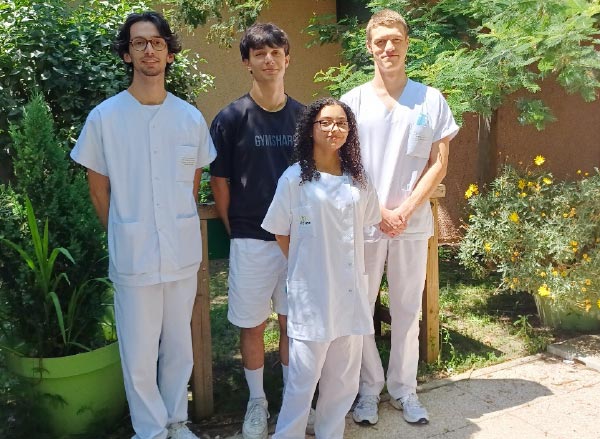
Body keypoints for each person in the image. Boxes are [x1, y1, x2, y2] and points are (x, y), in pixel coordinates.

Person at [70, 11, 216, 439]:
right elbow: (100, 193)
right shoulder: (105, 118)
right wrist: (126, 231)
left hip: (181, 253)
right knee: (138, 350)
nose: (148, 50)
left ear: (170, 52)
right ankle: (150, 430)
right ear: (127, 54)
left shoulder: (189, 118)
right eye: (138, 43)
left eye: (156, 42)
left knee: (178, 346)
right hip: (133, 254)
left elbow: (191, 186)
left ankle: (176, 421)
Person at [341, 9, 459, 426]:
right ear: (369, 46)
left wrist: (405, 210)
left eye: (395, 40)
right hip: (366, 223)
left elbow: (439, 163)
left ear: (407, 44)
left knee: (409, 310)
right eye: (380, 41)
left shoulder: (430, 99)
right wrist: (380, 212)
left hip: (412, 224)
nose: (387, 48)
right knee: (360, 307)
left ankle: (404, 390)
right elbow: (345, 166)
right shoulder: (351, 102)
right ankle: (368, 389)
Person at [262, 97, 381, 438]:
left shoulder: (359, 180)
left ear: (350, 130)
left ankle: (331, 433)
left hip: (350, 293)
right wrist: (307, 261)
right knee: (302, 382)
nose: (334, 128)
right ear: (311, 129)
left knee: (343, 381)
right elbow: (280, 231)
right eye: (325, 122)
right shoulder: (294, 179)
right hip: (312, 294)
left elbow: (369, 220)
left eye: (341, 123)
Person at [209, 23, 304, 439]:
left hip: (297, 242)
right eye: (259, 53)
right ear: (247, 62)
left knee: (291, 325)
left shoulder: (305, 117)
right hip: (250, 240)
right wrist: (240, 230)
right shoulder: (230, 119)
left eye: (276, 52)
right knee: (251, 325)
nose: (269, 59)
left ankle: (291, 402)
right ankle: (257, 402)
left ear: (287, 58)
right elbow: (220, 183)